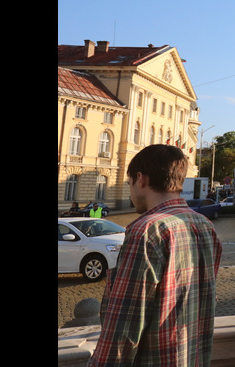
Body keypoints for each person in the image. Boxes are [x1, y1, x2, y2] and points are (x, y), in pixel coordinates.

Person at [88, 144, 222, 366]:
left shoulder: (147, 231)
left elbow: (123, 328)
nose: (130, 192)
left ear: (141, 179)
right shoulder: (205, 226)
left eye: (129, 183)